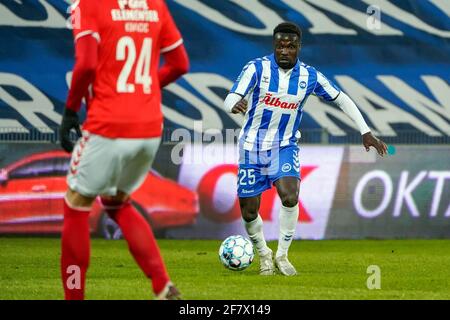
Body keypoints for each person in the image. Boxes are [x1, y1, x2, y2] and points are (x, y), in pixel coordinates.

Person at [224, 22, 387, 276]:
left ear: (299, 47)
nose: (284, 51)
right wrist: (234, 104)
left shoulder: (310, 76)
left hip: (285, 145)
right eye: (280, 45)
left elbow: (341, 98)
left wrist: (365, 131)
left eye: (290, 46)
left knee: (289, 195)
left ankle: (282, 255)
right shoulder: (256, 68)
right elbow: (230, 97)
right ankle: (264, 254)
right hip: (251, 148)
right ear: (274, 46)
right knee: (249, 211)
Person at [60, 0, 189, 299]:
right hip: (149, 125)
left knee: (75, 205)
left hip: (109, 122)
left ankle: (73, 296)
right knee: (117, 203)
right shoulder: (155, 5)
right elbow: (180, 63)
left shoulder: (89, 5)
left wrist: (69, 111)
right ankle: (162, 285)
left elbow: (86, 64)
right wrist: (146, 89)